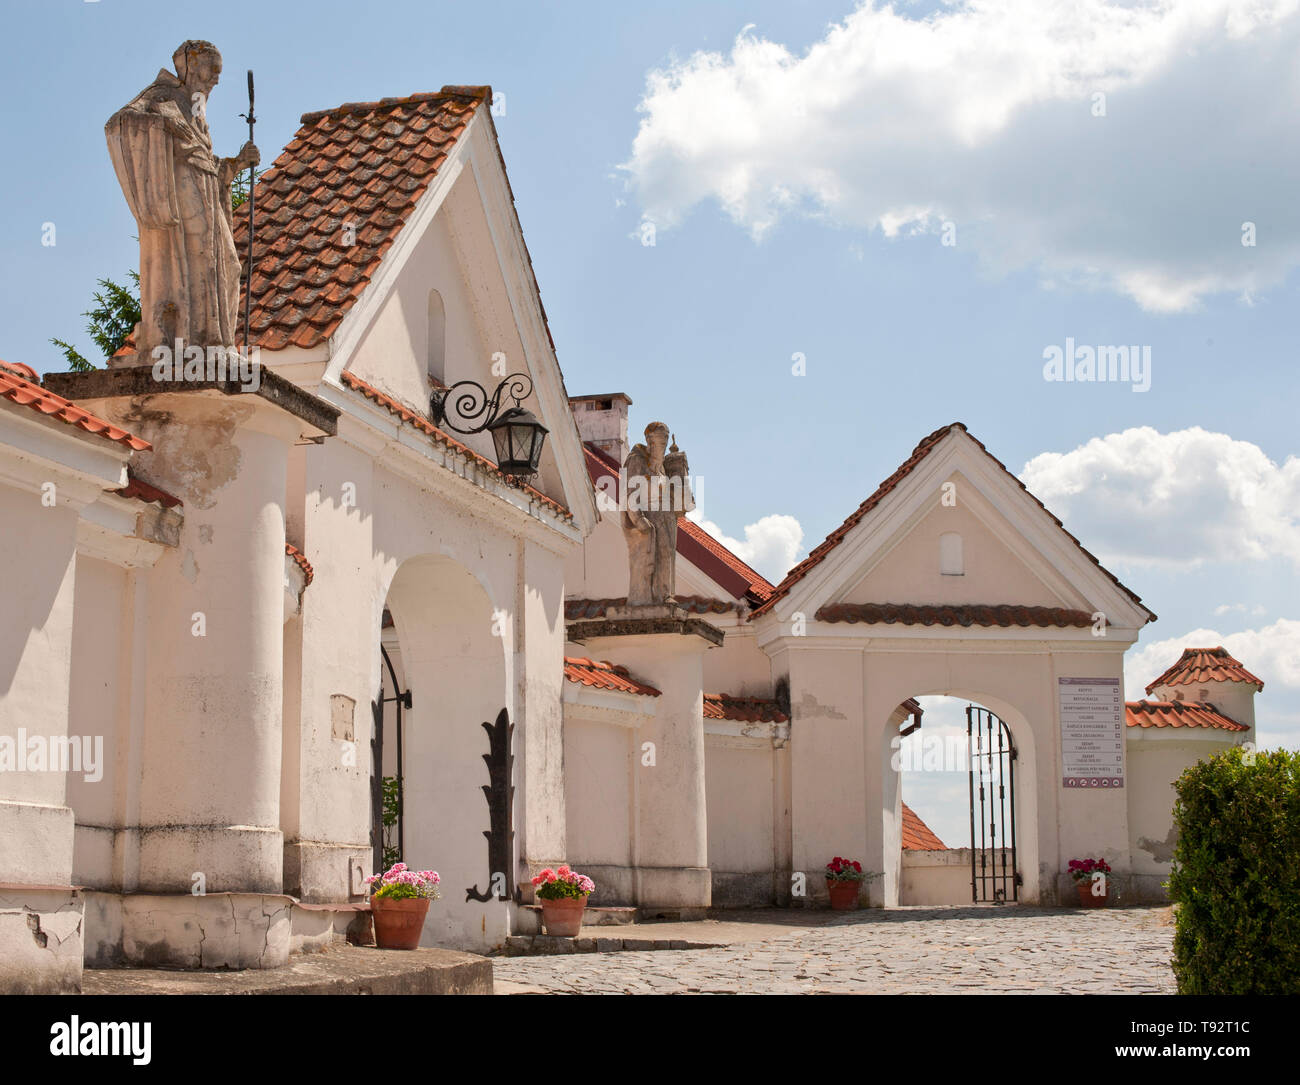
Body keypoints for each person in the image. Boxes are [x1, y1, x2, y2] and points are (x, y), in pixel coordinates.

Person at [105, 40, 260, 358]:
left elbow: (207, 164)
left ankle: (216, 341)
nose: (217, 76)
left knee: (228, 264)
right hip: (180, 190)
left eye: (219, 70)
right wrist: (162, 126)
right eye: (211, 67)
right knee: (195, 259)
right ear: (189, 64)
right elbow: (118, 124)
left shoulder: (197, 111)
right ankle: (193, 341)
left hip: (205, 190)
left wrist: (238, 163)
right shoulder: (161, 96)